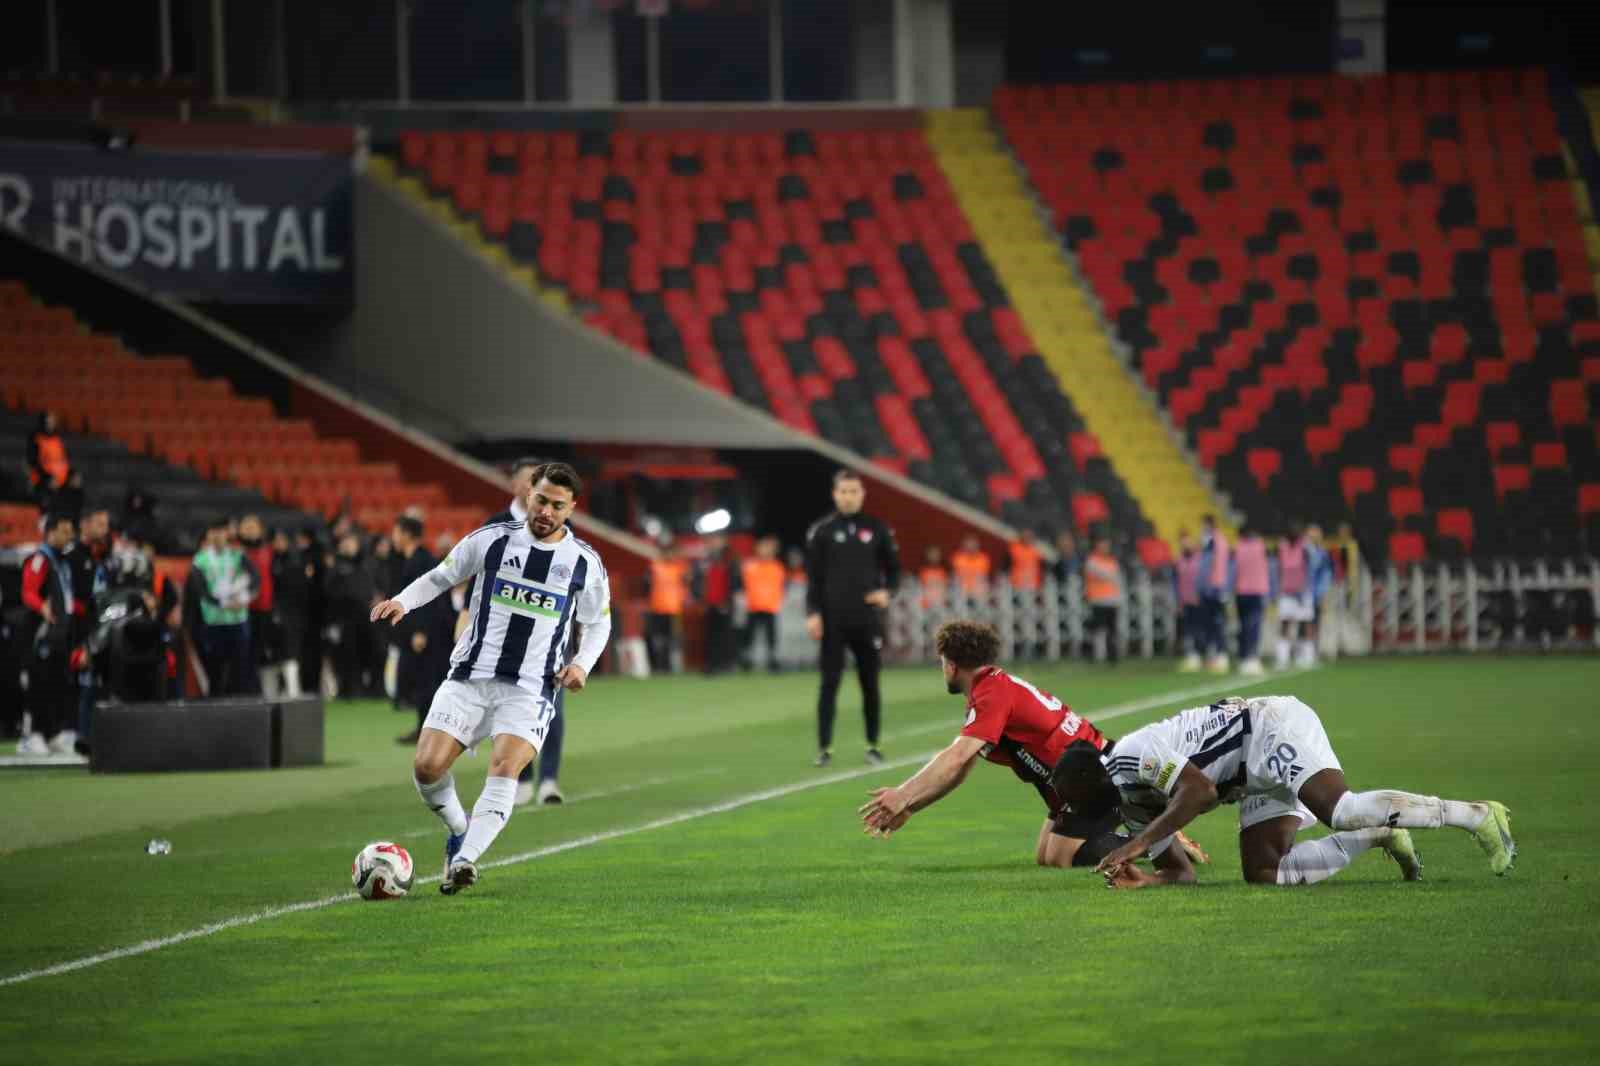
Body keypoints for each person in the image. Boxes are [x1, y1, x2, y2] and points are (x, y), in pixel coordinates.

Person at [371, 462, 611, 895]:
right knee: (426, 767)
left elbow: (599, 624)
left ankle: (464, 860)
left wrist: (581, 665)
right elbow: (443, 576)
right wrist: (404, 602)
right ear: (528, 494)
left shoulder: (584, 563)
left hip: (530, 688)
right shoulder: (493, 540)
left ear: (571, 508)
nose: (546, 512)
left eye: (558, 506)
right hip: (469, 677)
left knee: (505, 767)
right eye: (541, 500)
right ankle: (460, 829)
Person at [1050, 694, 1515, 889]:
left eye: (1078, 805)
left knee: (1342, 809)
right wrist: (1146, 879)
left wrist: (1137, 844)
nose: (1083, 817)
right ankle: (1380, 836)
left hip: (1268, 726)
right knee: (1264, 872)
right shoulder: (1130, 808)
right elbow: (1181, 874)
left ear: (1094, 788)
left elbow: (1201, 791)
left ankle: (1476, 815)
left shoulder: (1130, 754)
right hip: (1248, 773)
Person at [858, 620, 1210, 869]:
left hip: (1097, 775)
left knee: (1060, 856)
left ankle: (1160, 839)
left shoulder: (992, 695)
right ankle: (1152, 832)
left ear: (952, 666)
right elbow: (961, 769)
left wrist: (903, 793)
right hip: (1075, 781)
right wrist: (911, 807)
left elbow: (956, 756)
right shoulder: (991, 688)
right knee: (1045, 854)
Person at [458, 457, 571, 806]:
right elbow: (476, 582)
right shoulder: (496, 526)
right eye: (527, 482)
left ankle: (549, 780)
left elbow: (573, 582)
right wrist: (464, 628)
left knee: (551, 709)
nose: (532, 489)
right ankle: (520, 779)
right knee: (505, 712)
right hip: (500, 642)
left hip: (546, 638)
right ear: (515, 485)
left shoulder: (558, 527)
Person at [804, 469, 900, 768]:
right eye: (843, 492)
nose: (848, 497)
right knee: (828, 684)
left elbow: (895, 569)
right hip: (833, 621)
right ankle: (824, 748)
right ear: (835, 495)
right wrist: (813, 613)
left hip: (866, 619)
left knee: (870, 683)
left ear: (862, 494)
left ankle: (873, 745)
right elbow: (814, 579)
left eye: (853, 491)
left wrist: (888, 592)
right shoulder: (822, 531)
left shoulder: (877, 529)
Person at [392, 514, 454, 745]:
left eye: (396, 532)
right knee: (423, 682)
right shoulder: (413, 559)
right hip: (423, 632)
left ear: (407, 534)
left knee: (429, 682)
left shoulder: (422, 561)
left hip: (431, 633)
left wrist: (421, 631)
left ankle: (431, 731)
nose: (393, 537)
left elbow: (430, 599)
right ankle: (424, 729)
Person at [19, 514, 78, 755]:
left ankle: (52, 733)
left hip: (59, 635)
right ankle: (32, 735)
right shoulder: (39, 559)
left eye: (70, 531)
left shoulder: (61, 562)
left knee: (57, 683)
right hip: (42, 634)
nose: (69, 536)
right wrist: (42, 607)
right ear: (51, 532)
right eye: (64, 531)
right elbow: (28, 591)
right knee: (39, 683)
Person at [189, 517, 257, 697]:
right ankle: (216, 714)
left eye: (221, 531)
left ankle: (240, 712)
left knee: (240, 670)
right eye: (214, 532)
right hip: (214, 622)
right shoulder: (200, 560)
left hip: (238, 621)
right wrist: (224, 604)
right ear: (209, 535)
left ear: (227, 533)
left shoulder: (238, 555)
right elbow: (201, 590)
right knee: (215, 672)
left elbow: (255, 581)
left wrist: (246, 598)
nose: (218, 536)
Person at [66, 508, 111, 749]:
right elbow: (70, 598)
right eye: (100, 524)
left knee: (96, 683)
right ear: (85, 524)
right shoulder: (73, 557)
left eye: (106, 524)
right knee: (81, 681)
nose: (105, 529)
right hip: (79, 629)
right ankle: (74, 733)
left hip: (98, 628)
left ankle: (91, 734)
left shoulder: (100, 556)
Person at [238, 515, 279, 696]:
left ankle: (255, 689)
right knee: (243, 650)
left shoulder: (269, 551)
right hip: (240, 609)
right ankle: (245, 688)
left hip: (264, 608)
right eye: (246, 527)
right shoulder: (236, 552)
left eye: (253, 527)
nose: (250, 531)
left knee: (258, 650)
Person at [268, 528, 309, 699]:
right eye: (276, 540)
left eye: (281, 540)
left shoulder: (295, 562)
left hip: (292, 613)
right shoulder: (271, 561)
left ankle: (293, 691)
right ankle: (276, 692)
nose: (279, 544)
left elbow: (300, 589)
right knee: (275, 654)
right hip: (274, 612)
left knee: (291, 652)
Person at [696, 534, 740, 675]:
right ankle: (711, 665)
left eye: (718, 540)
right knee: (710, 636)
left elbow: (735, 582)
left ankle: (726, 664)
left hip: (724, 604)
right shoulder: (704, 561)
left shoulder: (730, 560)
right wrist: (700, 599)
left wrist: (728, 601)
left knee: (726, 635)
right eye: (713, 540)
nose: (715, 543)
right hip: (709, 604)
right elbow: (698, 582)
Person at [644, 541, 689, 676]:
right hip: (657, 608)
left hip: (674, 610)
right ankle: (658, 665)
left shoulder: (680, 568)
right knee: (657, 639)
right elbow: (646, 585)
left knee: (672, 640)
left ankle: (670, 667)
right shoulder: (654, 567)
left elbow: (687, 586)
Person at [1274, 522, 1316, 669]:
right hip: (1286, 592)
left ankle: (1308, 656)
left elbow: (1312, 566)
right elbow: (1279, 568)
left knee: (1305, 624)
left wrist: (1309, 589)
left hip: (1303, 592)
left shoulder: (1305, 547)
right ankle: (1282, 658)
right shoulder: (1282, 547)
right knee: (1285, 623)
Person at [741, 535, 785, 673]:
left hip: (770, 607)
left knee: (771, 636)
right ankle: (747, 661)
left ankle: (773, 660)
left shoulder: (777, 567)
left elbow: (781, 587)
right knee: (749, 636)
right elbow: (741, 584)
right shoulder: (749, 565)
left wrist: (777, 601)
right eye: (762, 547)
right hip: (753, 606)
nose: (764, 551)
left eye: (768, 548)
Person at [1232, 524, 1269, 676]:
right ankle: (1251, 658)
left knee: (1243, 625)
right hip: (1256, 590)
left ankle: (1243, 657)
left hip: (1241, 590)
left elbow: (1234, 569)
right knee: (1253, 625)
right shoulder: (1259, 546)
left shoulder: (1238, 547)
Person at [1197, 515, 1231, 673]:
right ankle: (1212, 656)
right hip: (1206, 590)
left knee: (1219, 623)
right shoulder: (1205, 542)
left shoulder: (1218, 541)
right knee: (1208, 625)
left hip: (1216, 589)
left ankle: (1222, 655)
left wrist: (1220, 587)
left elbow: (1221, 566)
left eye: (1204, 524)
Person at [1083, 534, 1122, 663]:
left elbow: (1116, 579)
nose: (1105, 547)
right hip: (1098, 600)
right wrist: (1111, 576)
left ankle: (1112, 656)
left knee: (1112, 631)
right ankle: (1096, 656)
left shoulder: (1111, 561)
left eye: (1106, 545)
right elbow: (1106, 575)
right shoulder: (1092, 561)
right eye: (1102, 544)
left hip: (1112, 600)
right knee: (1097, 630)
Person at [27, 412, 70, 510]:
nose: (51, 424)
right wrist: (48, 478)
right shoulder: (36, 438)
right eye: (48, 422)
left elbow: (63, 459)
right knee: (44, 508)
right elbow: (33, 462)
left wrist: (66, 477)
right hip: (43, 481)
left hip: (59, 481)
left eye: (52, 422)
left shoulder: (57, 439)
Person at [1174, 530, 1203, 672]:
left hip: (1198, 599)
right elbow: (1177, 582)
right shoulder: (1179, 560)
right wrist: (1178, 601)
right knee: (1188, 629)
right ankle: (1191, 656)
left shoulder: (1199, 559)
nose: (1185, 544)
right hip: (1185, 600)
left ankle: (1200, 655)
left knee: (1199, 628)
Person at [948, 534, 991, 599]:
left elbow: (984, 576)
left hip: (977, 587)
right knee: (956, 584)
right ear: (964, 545)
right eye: (968, 544)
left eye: (973, 544)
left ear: (977, 545)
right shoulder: (958, 558)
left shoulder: (983, 558)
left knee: (982, 585)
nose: (971, 547)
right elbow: (954, 575)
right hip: (961, 587)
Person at [1006, 528, 1043, 594]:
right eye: (1025, 536)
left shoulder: (1036, 551)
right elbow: (1007, 564)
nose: (1027, 538)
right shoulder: (1014, 548)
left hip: (1032, 584)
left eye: (1029, 536)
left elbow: (1040, 568)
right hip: (1017, 583)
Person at [917, 544, 948, 609]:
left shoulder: (944, 572)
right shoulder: (922, 572)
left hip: (941, 605)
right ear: (927, 555)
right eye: (932, 554)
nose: (934, 557)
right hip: (926, 606)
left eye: (936, 554)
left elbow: (945, 588)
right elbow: (920, 590)